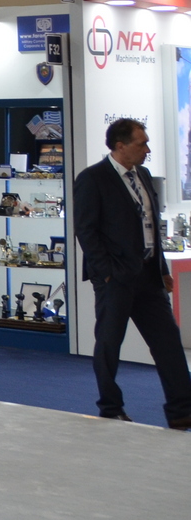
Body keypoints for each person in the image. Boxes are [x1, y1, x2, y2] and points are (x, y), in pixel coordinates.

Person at [73, 118, 191, 427]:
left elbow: (150, 227)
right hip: (115, 278)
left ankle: (182, 411)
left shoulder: (144, 175)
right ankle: (110, 408)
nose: (147, 149)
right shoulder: (93, 179)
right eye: (142, 144)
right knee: (109, 344)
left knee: (168, 342)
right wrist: (107, 273)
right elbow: (86, 231)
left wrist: (161, 268)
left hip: (148, 276)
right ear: (120, 146)